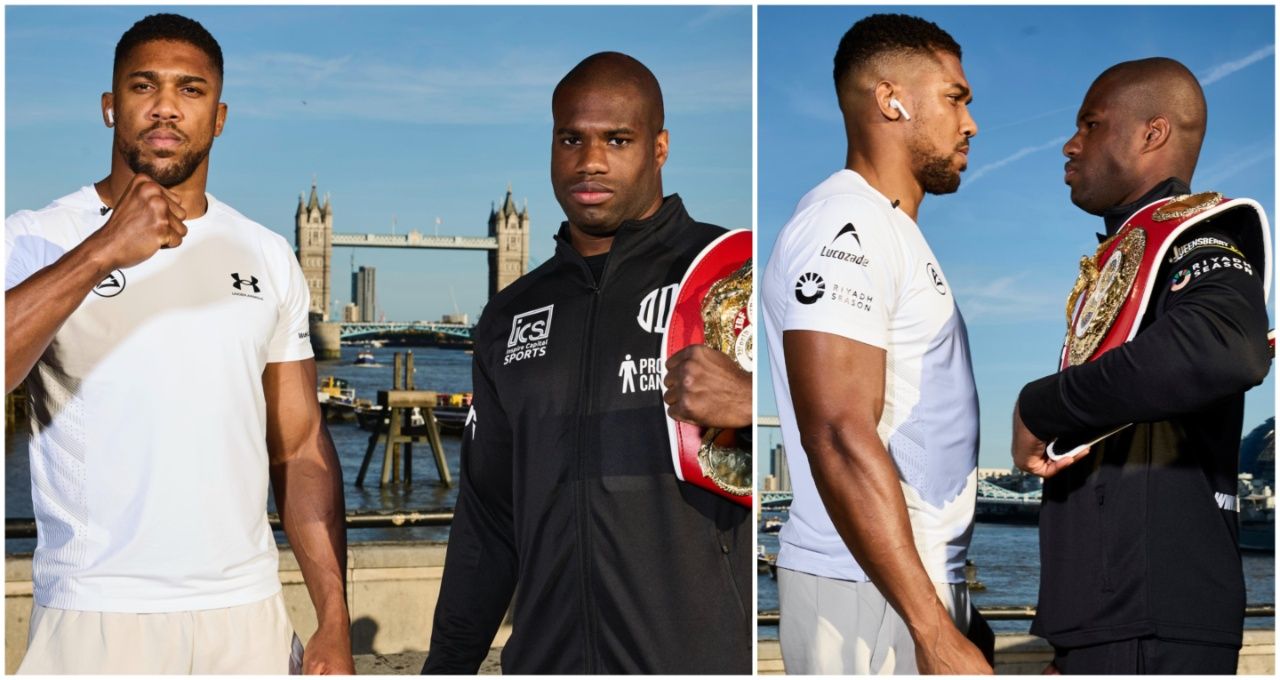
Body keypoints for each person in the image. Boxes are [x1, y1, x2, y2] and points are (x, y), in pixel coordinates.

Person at [4, 14, 353, 674]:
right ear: (111, 107)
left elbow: (301, 447)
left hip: (247, 618)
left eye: (190, 90)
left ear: (219, 118)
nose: (166, 106)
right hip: (95, 616)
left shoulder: (268, 254)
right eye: (144, 86)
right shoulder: (34, 239)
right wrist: (103, 249)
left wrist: (333, 617)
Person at [421, 51, 752, 674]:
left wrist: (760, 406)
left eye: (617, 140)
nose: (590, 161)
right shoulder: (508, 316)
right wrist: (446, 666)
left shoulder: (734, 273)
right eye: (571, 138)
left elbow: (836, 437)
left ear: (659, 148)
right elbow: (488, 521)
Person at [1013, 58, 1271, 674]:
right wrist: (1072, 638)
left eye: (1091, 125)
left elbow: (1224, 344)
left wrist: (1038, 404)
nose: (1070, 145)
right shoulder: (1132, 249)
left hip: (1151, 625)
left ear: (1152, 134)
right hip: (1117, 624)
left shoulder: (1198, 240)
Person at [762, 13, 992, 674]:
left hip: (897, 589)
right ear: (892, 100)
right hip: (866, 596)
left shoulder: (889, 230)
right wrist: (933, 631)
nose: (970, 123)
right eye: (955, 99)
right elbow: (836, 432)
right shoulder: (846, 225)